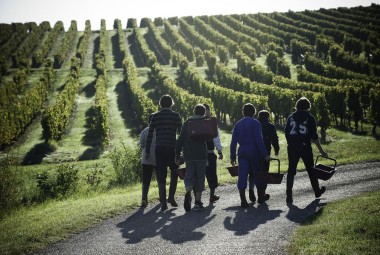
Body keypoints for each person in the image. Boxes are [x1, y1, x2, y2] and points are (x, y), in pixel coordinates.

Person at [284, 97, 328, 203]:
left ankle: (289, 195)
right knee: (311, 169)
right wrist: (321, 151)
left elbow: (286, 132)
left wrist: (291, 143)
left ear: (297, 106)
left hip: (293, 147)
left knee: (291, 170)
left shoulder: (291, 117)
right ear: (308, 106)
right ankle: (317, 191)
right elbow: (314, 136)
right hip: (305, 147)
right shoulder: (310, 118)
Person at [230, 103, 271, 208]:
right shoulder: (256, 123)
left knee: (242, 174)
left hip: (242, 151)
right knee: (257, 173)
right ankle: (260, 196)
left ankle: (243, 200)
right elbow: (259, 140)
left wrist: (232, 157)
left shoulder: (237, 124)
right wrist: (265, 154)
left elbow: (233, 142)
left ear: (243, 112)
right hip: (254, 152)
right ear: (254, 112)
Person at [146, 95, 182, 211]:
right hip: (172, 147)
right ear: (171, 103)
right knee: (175, 172)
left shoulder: (155, 116)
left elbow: (150, 134)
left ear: (160, 104)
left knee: (161, 174)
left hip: (159, 148)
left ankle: (163, 202)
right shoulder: (176, 116)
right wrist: (181, 150)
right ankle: (171, 197)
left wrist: (147, 150)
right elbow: (181, 134)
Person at [175, 104, 208, 212]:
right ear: (203, 112)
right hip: (201, 154)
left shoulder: (187, 123)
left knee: (189, 174)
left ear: (194, 111)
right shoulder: (205, 122)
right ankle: (197, 202)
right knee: (200, 177)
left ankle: (188, 191)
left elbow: (180, 139)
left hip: (188, 154)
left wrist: (177, 153)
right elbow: (210, 138)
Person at [248, 110, 279, 203]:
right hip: (265, 153)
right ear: (268, 117)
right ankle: (261, 194)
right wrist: (276, 149)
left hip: (252, 152)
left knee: (252, 172)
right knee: (264, 173)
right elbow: (274, 139)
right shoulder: (270, 126)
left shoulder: (252, 124)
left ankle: (251, 189)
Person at [203, 103, 223, 203]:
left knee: (199, 175)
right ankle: (212, 195)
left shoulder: (194, 122)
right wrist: (219, 151)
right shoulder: (212, 122)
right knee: (212, 174)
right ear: (208, 111)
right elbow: (216, 138)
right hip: (210, 153)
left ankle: (197, 198)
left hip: (198, 154)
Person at [139, 114, 156, 207]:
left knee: (146, 180)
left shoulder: (144, 131)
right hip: (158, 157)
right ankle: (162, 197)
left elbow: (141, 144)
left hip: (146, 158)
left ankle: (144, 198)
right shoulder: (160, 131)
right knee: (161, 179)